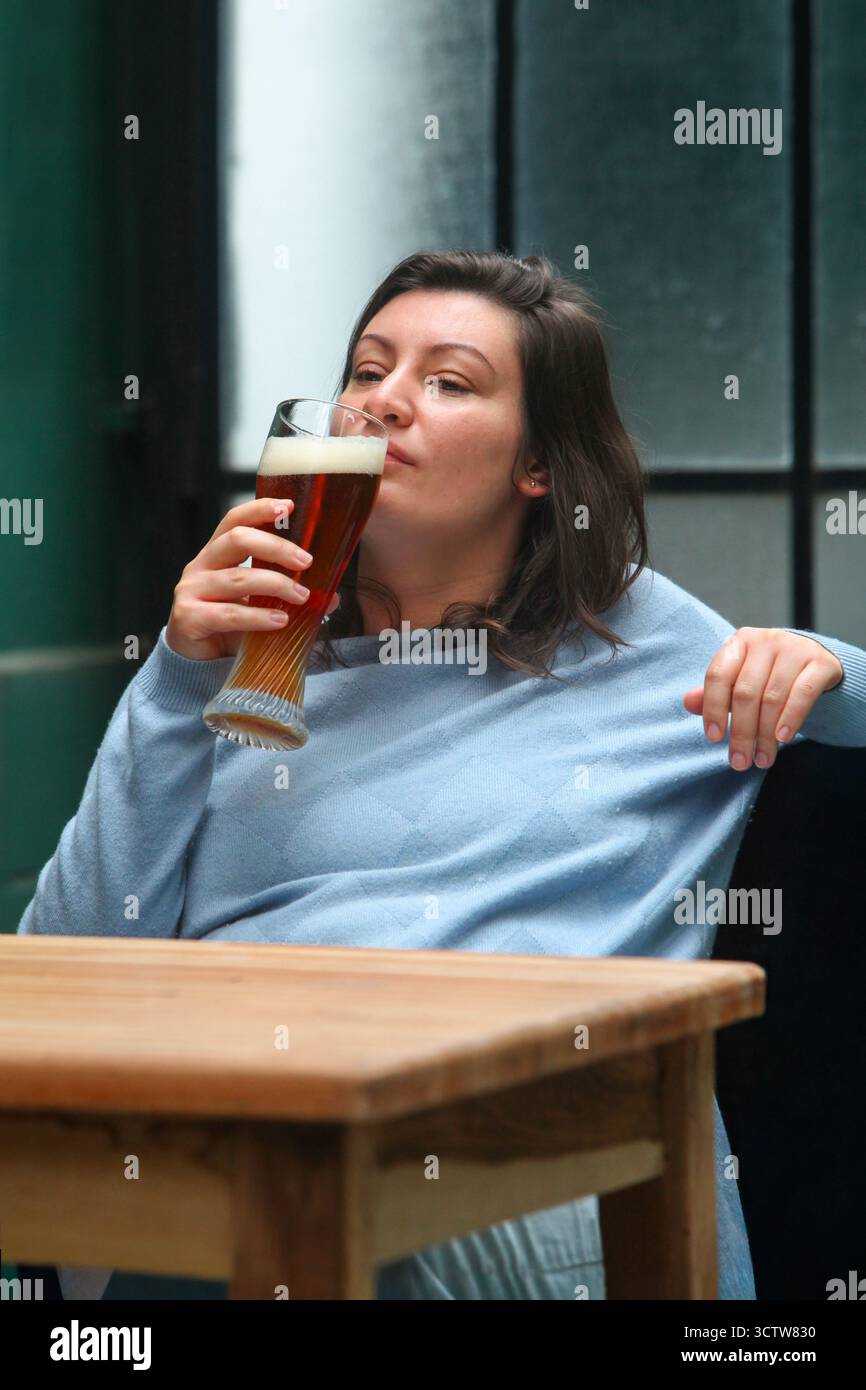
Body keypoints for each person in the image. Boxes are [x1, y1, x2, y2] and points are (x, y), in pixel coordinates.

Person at [18, 250, 866, 1301]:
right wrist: (174, 681)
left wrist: (832, 670)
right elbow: (65, 966)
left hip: (535, 1168)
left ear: (540, 465)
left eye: (447, 381)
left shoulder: (649, 652)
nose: (382, 402)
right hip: (236, 1139)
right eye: (366, 371)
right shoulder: (242, 676)